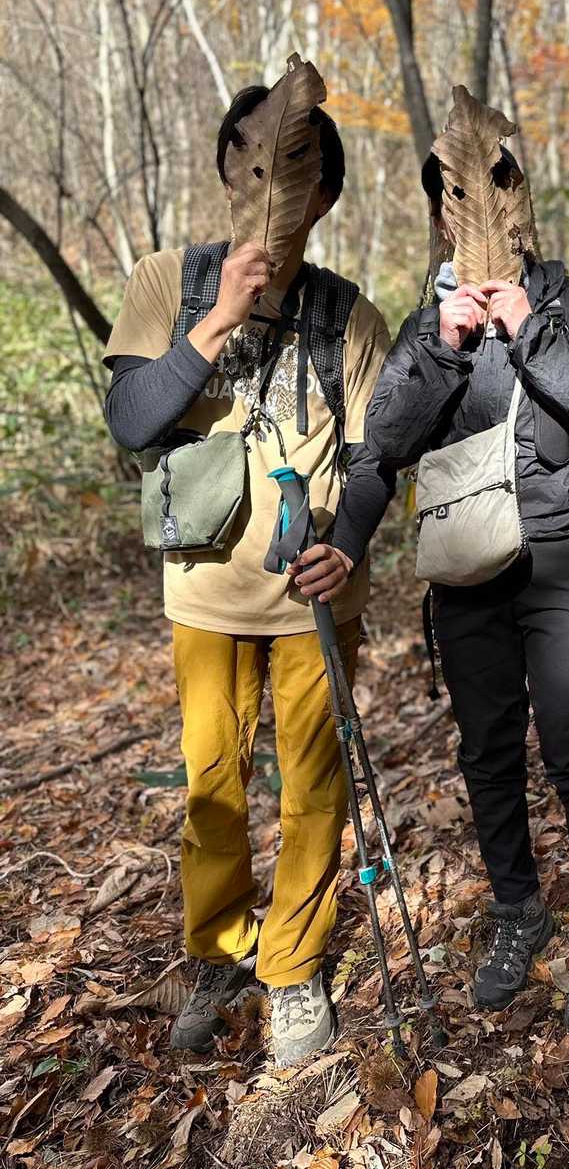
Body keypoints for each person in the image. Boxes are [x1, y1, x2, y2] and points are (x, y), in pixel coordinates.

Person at [102, 86, 395, 1066]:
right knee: (213, 786)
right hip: (205, 594)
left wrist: (349, 541)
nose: (270, 186)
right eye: (251, 161)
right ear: (229, 170)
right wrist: (218, 319)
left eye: (297, 172)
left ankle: (294, 965)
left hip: (315, 600)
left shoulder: (350, 315)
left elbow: (376, 457)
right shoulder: (166, 282)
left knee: (314, 789)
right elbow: (132, 418)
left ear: (325, 196)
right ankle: (219, 950)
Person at [364, 135, 569, 1033]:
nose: (473, 205)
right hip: (466, 569)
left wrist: (530, 329)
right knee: (487, 752)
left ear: (518, 201)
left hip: (565, 560)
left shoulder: (560, 300)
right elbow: (386, 439)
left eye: (492, 185)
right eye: (452, 193)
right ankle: (518, 910)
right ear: (440, 214)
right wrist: (445, 346)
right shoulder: (428, 319)